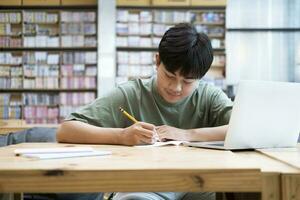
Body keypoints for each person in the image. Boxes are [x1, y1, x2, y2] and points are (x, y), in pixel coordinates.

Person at [57, 23, 233, 200]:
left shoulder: (209, 96)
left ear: (201, 77)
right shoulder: (131, 94)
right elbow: (66, 130)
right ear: (157, 61)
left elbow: (246, 130)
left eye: (187, 81)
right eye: (170, 76)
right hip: (143, 186)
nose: (176, 87)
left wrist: (187, 134)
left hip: (197, 184)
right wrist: (121, 136)